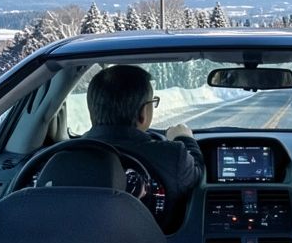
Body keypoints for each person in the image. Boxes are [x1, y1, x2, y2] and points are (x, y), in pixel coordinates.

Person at [80, 64, 204, 203]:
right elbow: (198, 175)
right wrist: (185, 138)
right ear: (142, 113)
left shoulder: (64, 157)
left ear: (92, 110)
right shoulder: (172, 155)